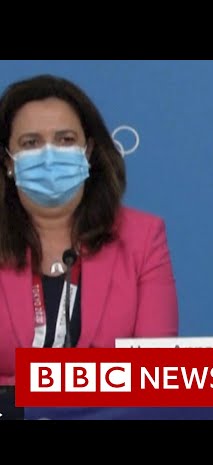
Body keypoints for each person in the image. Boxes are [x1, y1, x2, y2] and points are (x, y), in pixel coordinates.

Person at [0, 74, 179, 385]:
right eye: (31, 143)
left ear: (88, 151)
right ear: (8, 162)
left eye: (65, 140)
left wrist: (44, 384)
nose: (49, 155)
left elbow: (158, 374)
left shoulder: (143, 238)